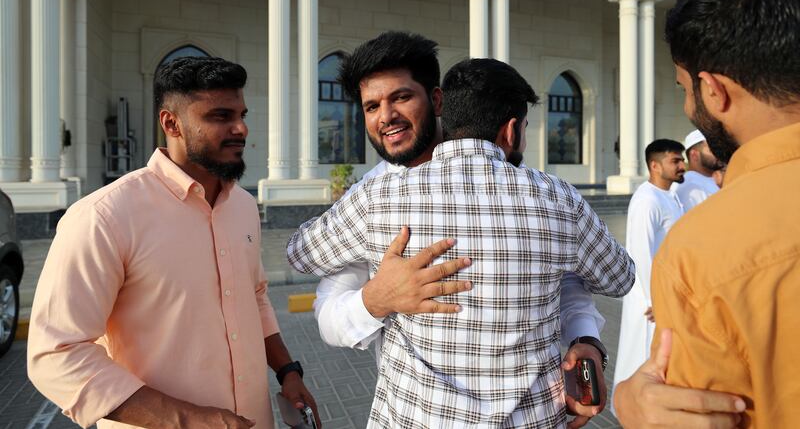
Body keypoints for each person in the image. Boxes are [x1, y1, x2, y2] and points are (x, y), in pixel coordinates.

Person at [288, 58, 636, 428]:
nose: (387, 117)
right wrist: (376, 297)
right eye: (373, 105)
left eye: (400, 98)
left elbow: (300, 253)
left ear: (439, 108)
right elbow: (620, 278)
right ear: (512, 130)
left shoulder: (379, 196)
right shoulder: (558, 198)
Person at [27, 57, 319, 429]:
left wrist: (287, 371)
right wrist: (186, 419)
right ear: (171, 123)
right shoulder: (104, 217)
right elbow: (56, 352)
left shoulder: (243, 207)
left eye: (242, 114)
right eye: (220, 116)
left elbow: (256, 294)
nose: (241, 128)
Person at [615, 0, 800, 427]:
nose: (686, 103)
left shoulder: (703, 251)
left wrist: (633, 407)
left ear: (713, 91)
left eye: (684, 88)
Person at [612, 139, 685, 395]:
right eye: (675, 161)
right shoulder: (647, 199)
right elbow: (641, 253)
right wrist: (657, 299)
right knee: (643, 356)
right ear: (655, 165)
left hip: (665, 293)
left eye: (682, 159)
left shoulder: (669, 196)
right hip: (649, 298)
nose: (682, 165)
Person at [674, 129, 720, 210]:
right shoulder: (689, 187)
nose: (718, 153)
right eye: (712, 150)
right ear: (694, 155)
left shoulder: (715, 180)